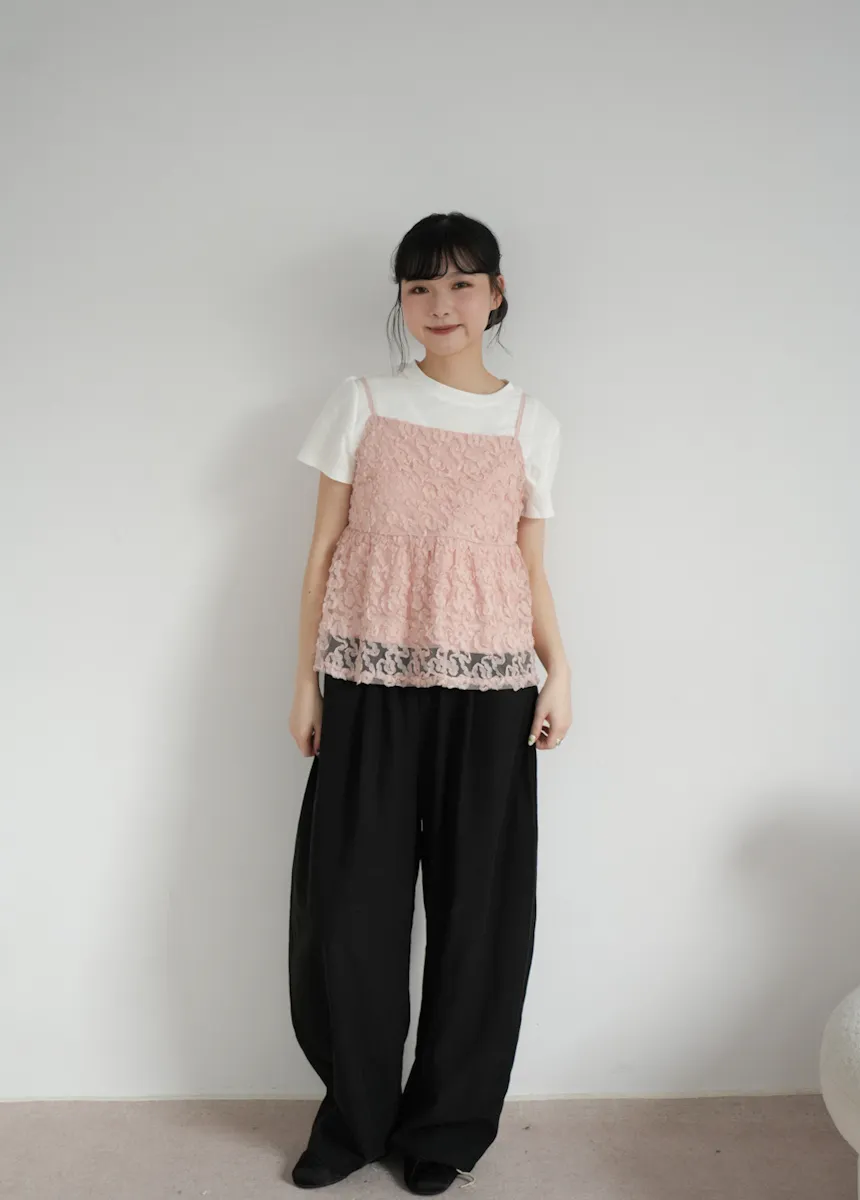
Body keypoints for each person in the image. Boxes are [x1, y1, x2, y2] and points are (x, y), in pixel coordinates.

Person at [287, 211, 572, 1195]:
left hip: (491, 690)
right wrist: (304, 680)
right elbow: (321, 553)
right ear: (400, 301)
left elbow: (529, 566)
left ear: (495, 294)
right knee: (349, 913)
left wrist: (560, 669)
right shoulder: (361, 402)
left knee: (479, 915)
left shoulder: (532, 423)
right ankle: (354, 1117)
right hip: (367, 682)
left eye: (459, 283)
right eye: (417, 287)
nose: (438, 304)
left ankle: (444, 1129)